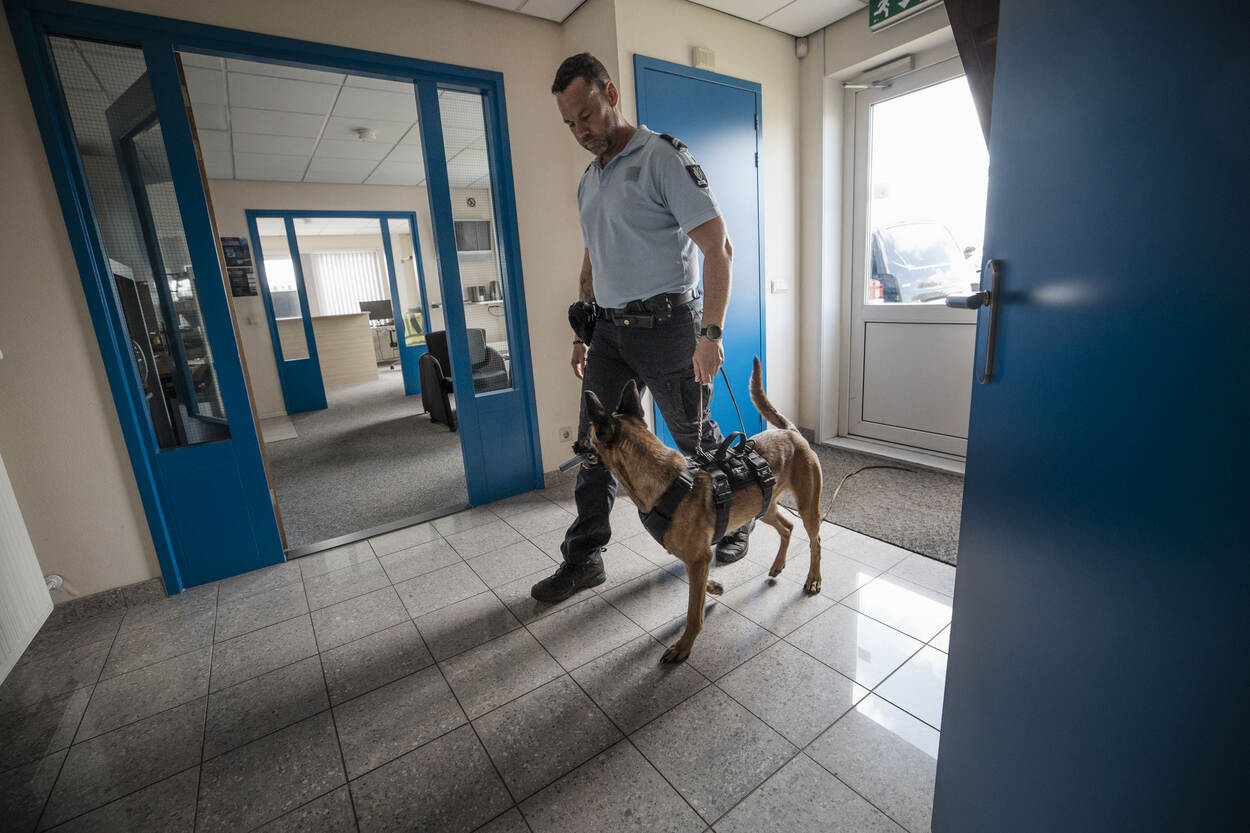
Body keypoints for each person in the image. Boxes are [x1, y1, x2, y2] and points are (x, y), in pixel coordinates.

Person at [531, 52, 754, 604]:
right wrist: (584, 330)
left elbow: (718, 248)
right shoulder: (589, 182)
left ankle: (734, 520)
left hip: (670, 326)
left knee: (694, 438)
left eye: (586, 114)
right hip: (609, 332)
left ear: (610, 94)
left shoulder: (663, 156)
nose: (580, 131)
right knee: (594, 446)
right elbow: (594, 260)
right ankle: (584, 558)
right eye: (570, 123)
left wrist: (712, 334)